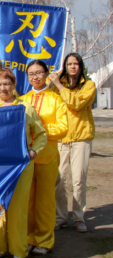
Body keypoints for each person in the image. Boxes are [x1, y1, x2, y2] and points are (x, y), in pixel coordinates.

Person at [0, 69, 47, 258]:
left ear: (14, 85)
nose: (3, 88)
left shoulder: (26, 108)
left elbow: (41, 134)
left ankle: (19, 251)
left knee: (18, 210)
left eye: (7, 84)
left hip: (21, 167)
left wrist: (34, 151)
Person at [20, 61, 68, 255]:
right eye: (31, 74)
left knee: (45, 200)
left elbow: (63, 128)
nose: (35, 77)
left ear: (47, 74)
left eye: (39, 73)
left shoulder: (55, 99)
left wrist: (38, 131)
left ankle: (44, 240)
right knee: (28, 200)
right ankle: (28, 236)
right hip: (26, 158)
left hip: (47, 155)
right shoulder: (22, 99)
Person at [50, 53, 96, 233]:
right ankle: (61, 217)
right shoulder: (58, 86)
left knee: (78, 180)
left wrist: (59, 85)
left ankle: (79, 217)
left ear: (80, 66)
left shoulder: (88, 85)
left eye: (75, 64)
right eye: (69, 64)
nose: (73, 67)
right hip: (61, 138)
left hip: (81, 139)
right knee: (59, 180)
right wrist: (53, 81)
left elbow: (76, 103)